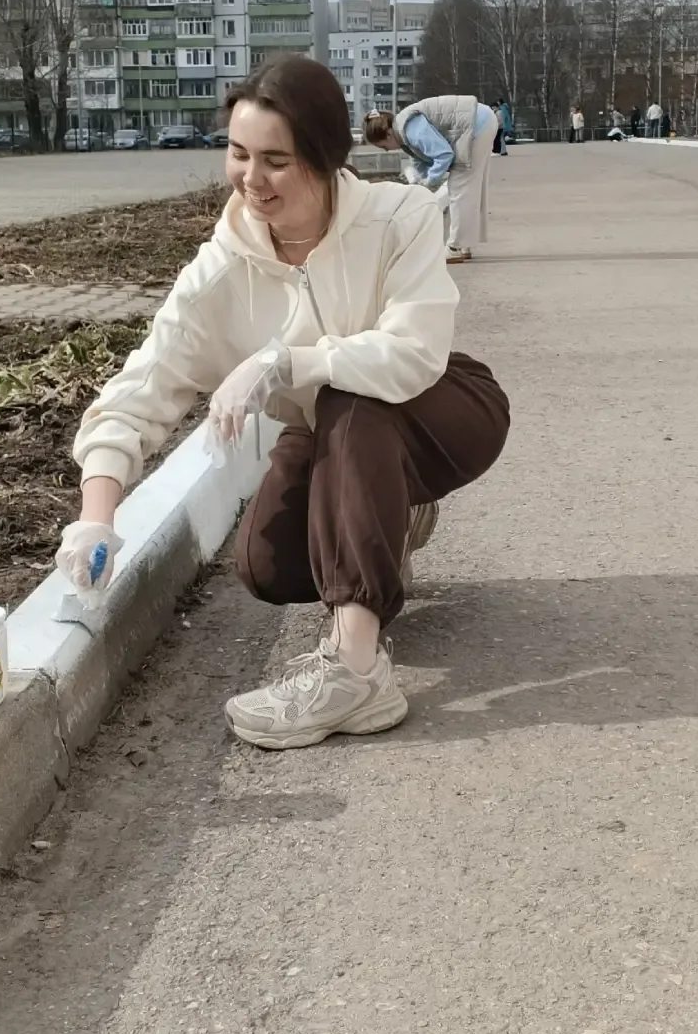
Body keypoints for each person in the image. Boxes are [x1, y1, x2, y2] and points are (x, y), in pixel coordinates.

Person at [56, 54, 510, 751]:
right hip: (333, 433)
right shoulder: (222, 270)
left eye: (275, 160)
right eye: (238, 153)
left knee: (351, 401)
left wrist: (285, 361)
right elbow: (139, 389)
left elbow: (415, 351)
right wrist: (96, 517)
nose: (250, 179)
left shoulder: (400, 215)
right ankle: (391, 515)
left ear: (325, 158)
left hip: (442, 405)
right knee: (268, 566)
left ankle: (357, 671)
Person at [362, 94, 498, 265]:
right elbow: (419, 160)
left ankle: (455, 247)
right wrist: (420, 184)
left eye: (383, 146)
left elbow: (443, 154)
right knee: (469, 187)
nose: (387, 151)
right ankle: (464, 244)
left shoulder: (411, 129)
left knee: (460, 188)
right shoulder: (404, 129)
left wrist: (430, 182)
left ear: (388, 134)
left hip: (475, 124)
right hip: (479, 119)